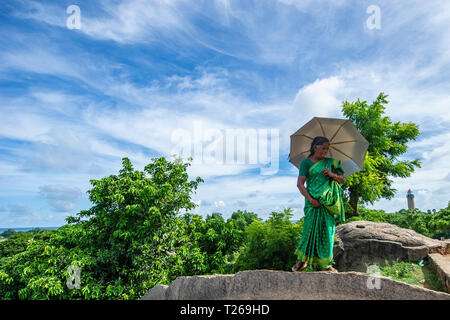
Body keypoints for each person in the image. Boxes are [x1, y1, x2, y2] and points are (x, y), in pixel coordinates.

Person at [291, 136, 346, 273]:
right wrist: (311, 200)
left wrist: (331, 174)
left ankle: (326, 265)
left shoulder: (331, 163)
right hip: (312, 203)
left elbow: (342, 180)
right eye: (323, 148)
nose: (326, 151)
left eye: (327, 149)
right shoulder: (306, 163)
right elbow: (300, 184)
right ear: (315, 147)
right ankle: (302, 261)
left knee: (327, 232)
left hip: (327, 203)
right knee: (308, 232)